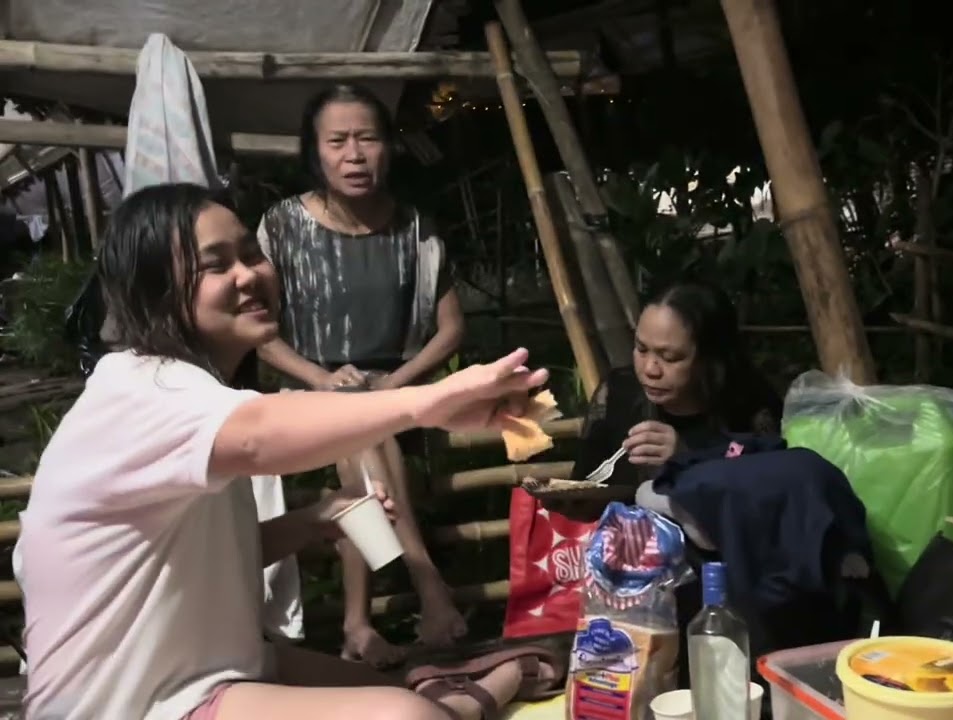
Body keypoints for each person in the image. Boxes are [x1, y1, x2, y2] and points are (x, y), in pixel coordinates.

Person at [16, 183, 552, 720]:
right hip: (123, 707)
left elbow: (205, 557)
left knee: (396, 697)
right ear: (155, 289)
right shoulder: (143, 389)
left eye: (251, 254)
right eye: (216, 265)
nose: (249, 274)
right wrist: (429, 402)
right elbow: (257, 434)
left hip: (203, 673)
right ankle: (474, 698)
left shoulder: (190, 392)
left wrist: (318, 520)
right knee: (407, 718)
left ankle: (467, 698)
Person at [255, 84, 465, 666]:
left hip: (392, 398)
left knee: (361, 438)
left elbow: (450, 331)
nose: (354, 154)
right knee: (359, 426)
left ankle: (355, 626)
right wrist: (321, 381)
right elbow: (261, 333)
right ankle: (429, 584)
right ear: (314, 151)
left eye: (368, 139)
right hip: (304, 395)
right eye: (338, 141)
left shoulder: (415, 229)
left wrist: (394, 386)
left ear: (389, 148)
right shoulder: (282, 226)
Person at [551, 281, 782, 518]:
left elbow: (767, 508)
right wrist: (568, 499)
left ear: (710, 358)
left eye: (669, 357)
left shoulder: (750, 405)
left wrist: (687, 460)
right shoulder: (621, 392)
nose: (650, 369)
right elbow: (587, 485)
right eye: (641, 349)